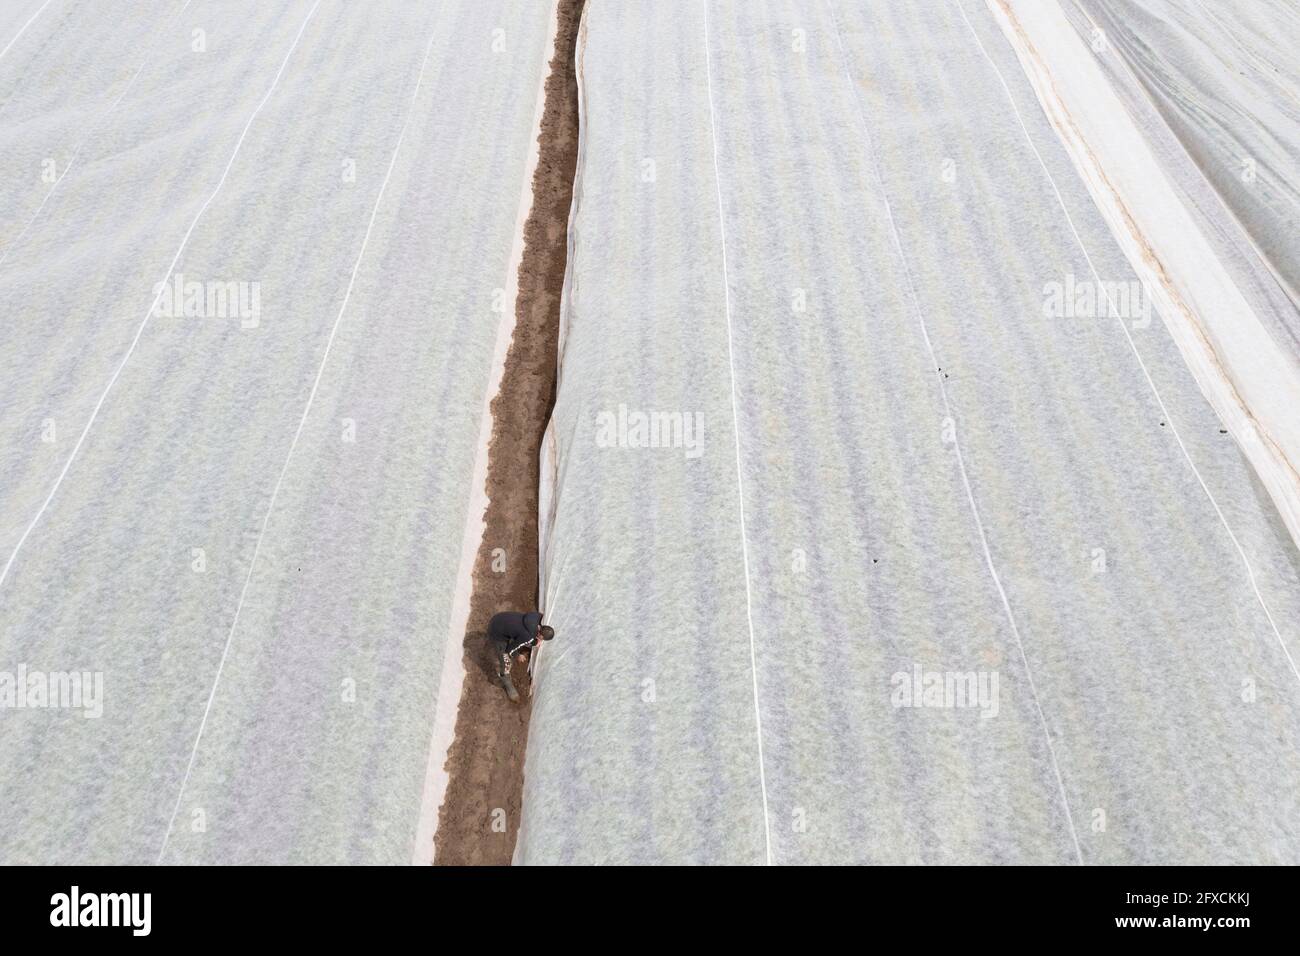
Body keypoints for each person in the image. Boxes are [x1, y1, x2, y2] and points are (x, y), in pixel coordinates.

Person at [487, 611, 554, 702]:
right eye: (542, 639)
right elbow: (510, 649)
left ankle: (511, 636)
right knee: (505, 661)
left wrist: (534, 641)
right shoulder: (528, 636)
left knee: (521, 637)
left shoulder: (538, 617)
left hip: (498, 618)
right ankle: (507, 683)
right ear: (540, 635)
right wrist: (518, 655)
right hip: (496, 632)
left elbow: (527, 637)